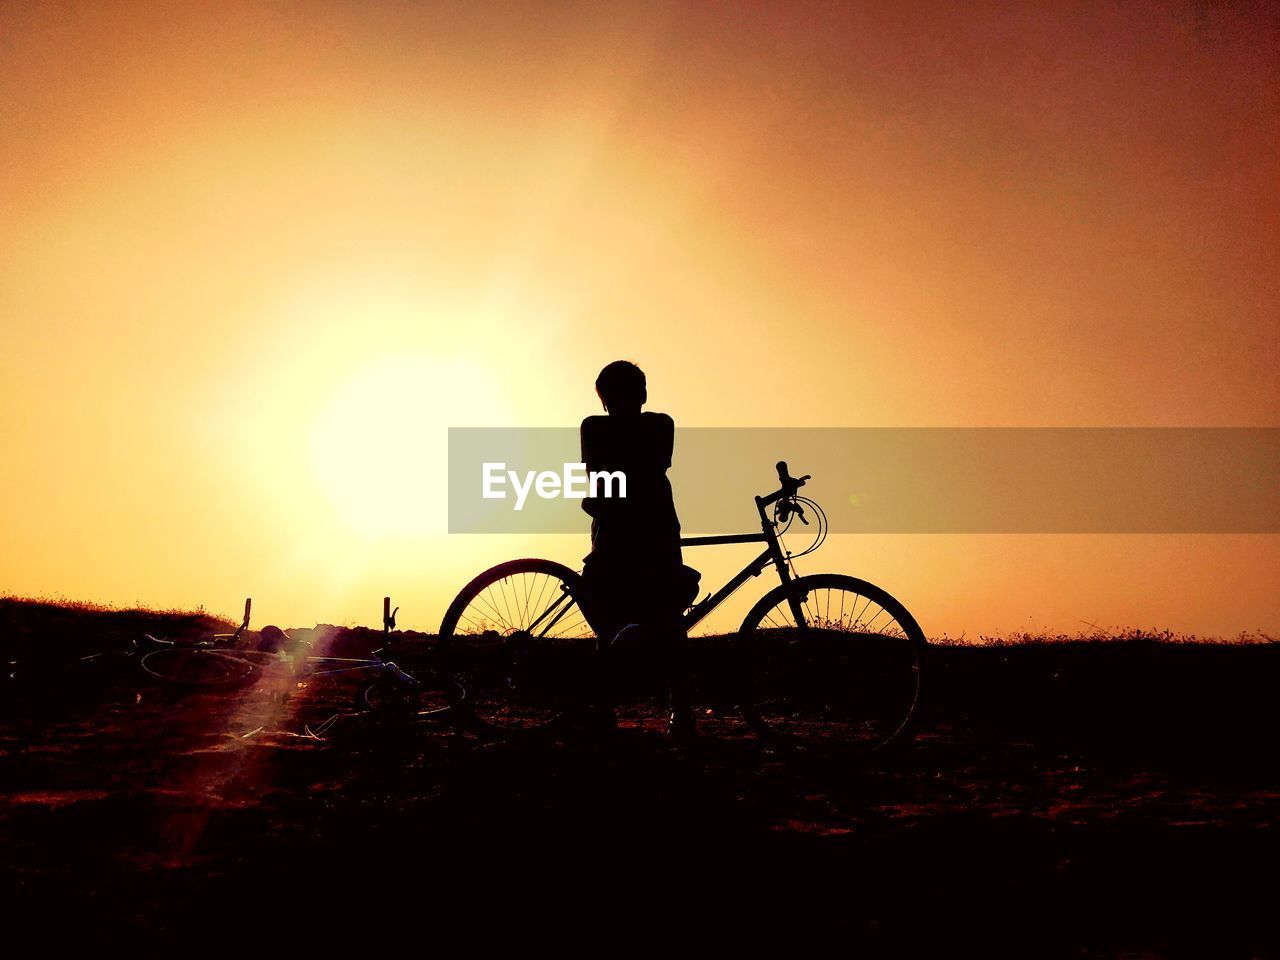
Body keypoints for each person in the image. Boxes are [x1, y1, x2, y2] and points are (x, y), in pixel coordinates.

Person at [579, 360, 696, 738]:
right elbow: (647, 465)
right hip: (645, 526)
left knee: (618, 617)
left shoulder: (601, 426)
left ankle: (606, 705)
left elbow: (604, 471)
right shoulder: (656, 425)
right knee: (665, 620)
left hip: (626, 524)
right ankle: (679, 711)